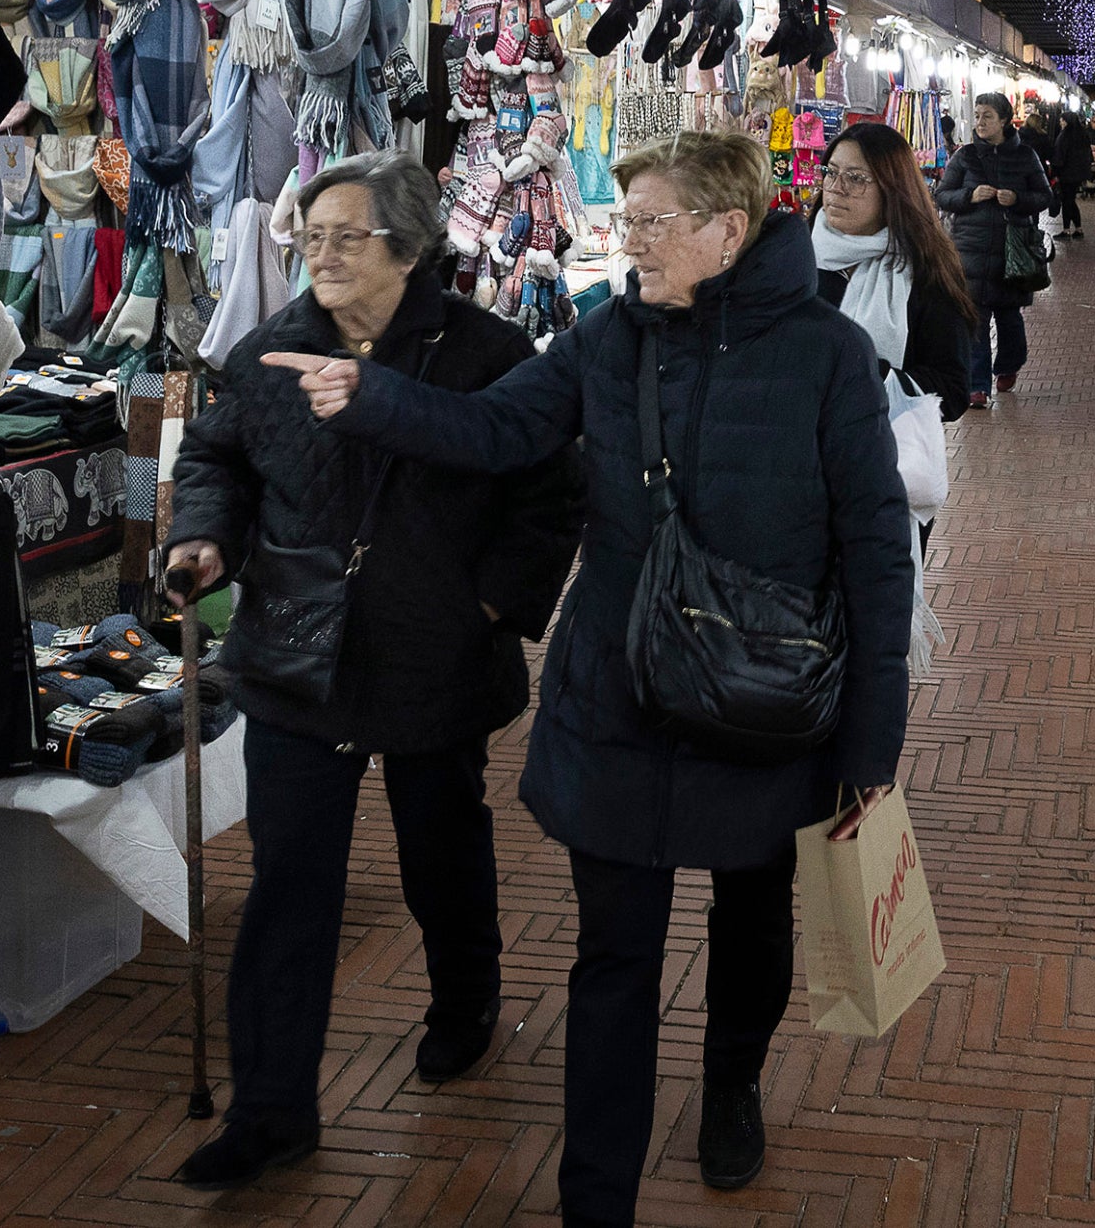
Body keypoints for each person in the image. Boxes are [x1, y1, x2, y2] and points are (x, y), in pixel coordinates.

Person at [254, 131, 913, 1227]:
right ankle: (592, 1196)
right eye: (627, 219)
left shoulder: (826, 357)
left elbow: (877, 553)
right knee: (613, 953)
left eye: (650, 221)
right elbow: (500, 424)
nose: (628, 239)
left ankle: (731, 1081)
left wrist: (868, 746)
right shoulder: (609, 336)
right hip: (620, 693)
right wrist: (369, 396)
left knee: (755, 924)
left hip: (765, 697)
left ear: (726, 230)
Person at [165, 152, 586, 1191]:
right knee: (287, 884)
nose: (321, 254)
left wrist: (487, 604)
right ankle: (271, 1107)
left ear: (407, 246)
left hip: (431, 652)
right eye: (310, 237)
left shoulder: (487, 353)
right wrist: (207, 537)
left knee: (439, 850)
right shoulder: (271, 350)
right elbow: (214, 456)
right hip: (297, 658)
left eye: (344, 236)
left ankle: (463, 1000)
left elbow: (551, 492)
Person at [811, 119, 974, 422]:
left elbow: (952, 392)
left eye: (856, 178)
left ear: (891, 187)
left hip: (881, 456)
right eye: (831, 172)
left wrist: (863, 375)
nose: (836, 187)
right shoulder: (797, 258)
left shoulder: (924, 272)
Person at [935, 90, 1053, 408]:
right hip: (970, 252)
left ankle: (1009, 365)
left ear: (1004, 119)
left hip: (1011, 254)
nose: (980, 122)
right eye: (977, 116)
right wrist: (969, 196)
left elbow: (1044, 196)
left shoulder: (1025, 156)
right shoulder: (965, 156)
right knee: (974, 320)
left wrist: (1018, 199)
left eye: (987, 116)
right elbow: (943, 195)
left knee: (1009, 319)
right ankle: (977, 386)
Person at [1052, 109, 1094, 236]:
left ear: (1066, 121)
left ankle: (1066, 230)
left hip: (1066, 174)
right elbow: (1089, 156)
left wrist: (1056, 173)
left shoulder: (1064, 136)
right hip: (1079, 174)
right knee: (1071, 200)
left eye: (1062, 121)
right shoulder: (1083, 135)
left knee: (1067, 201)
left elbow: (1059, 156)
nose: (1060, 123)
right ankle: (1078, 228)